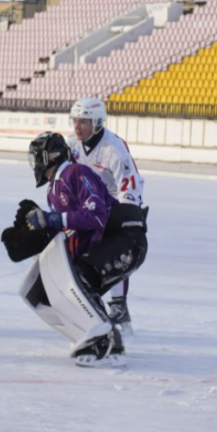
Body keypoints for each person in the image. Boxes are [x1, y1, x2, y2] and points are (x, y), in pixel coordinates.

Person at [0, 132, 148, 368]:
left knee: (80, 280)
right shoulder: (53, 189)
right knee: (50, 290)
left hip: (126, 239)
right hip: (111, 242)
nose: (34, 164)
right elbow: (72, 228)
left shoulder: (76, 173)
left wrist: (53, 219)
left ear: (50, 157)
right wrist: (36, 235)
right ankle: (110, 340)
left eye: (36, 157)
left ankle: (100, 339)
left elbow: (96, 216)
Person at [65, 97, 146, 332]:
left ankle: (119, 307)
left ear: (98, 123)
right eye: (76, 121)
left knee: (114, 251)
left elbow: (130, 187)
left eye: (84, 122)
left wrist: (127, 216)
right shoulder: (72, 144)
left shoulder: (115, 149)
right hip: (88, 203)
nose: (78, 127)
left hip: (114, 202)